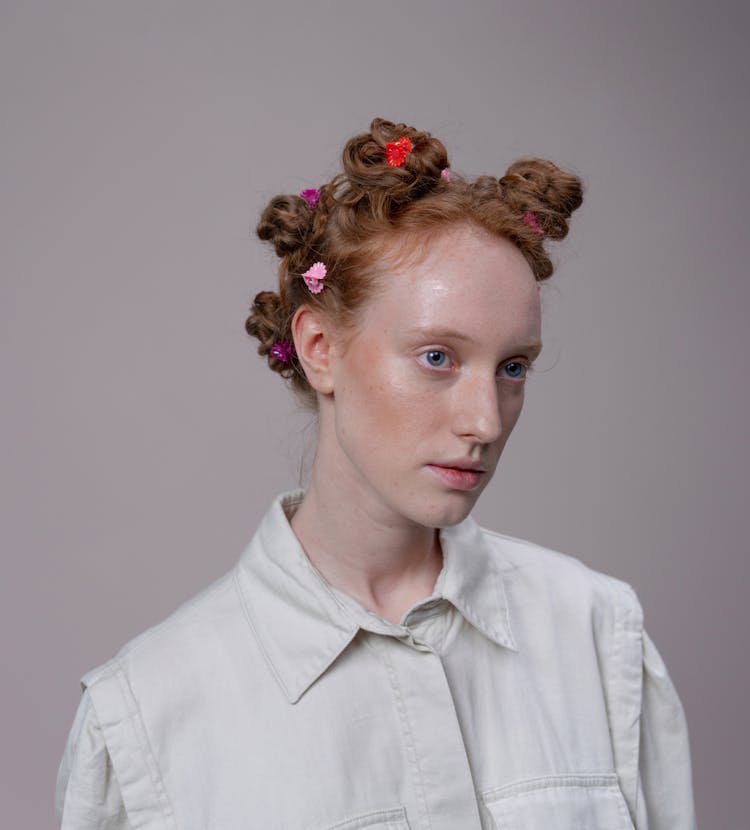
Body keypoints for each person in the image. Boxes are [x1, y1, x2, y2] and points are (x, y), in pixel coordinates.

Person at [56, 118, 697, 829]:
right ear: (321, 348)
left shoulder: (596, 634)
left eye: (513, 368)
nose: (485, 421)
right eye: (437, 358)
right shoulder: (148, 716)